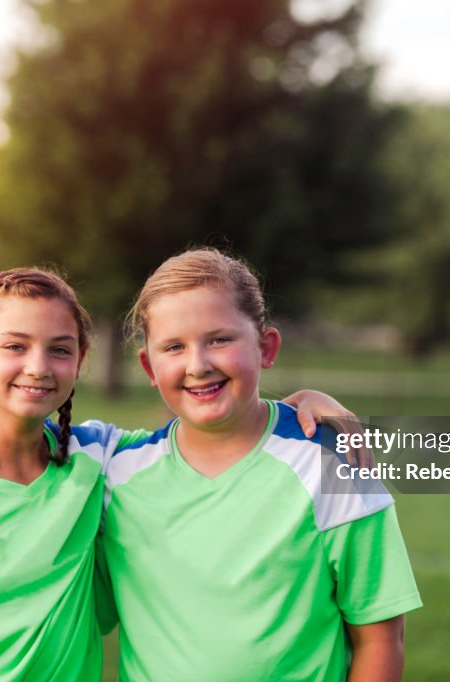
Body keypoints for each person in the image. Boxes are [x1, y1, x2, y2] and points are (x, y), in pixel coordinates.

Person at [0, 267, 354, 681]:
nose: (38, 366)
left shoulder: (98, 458)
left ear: (80, 361)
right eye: (15, 345)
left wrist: (302, 404)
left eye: (60, 349)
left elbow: (209, 427)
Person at [101, 248, 422, 681]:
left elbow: (380, 640)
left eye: (219, 339)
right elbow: (19, 441)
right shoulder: (114, 470)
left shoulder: (330, 462)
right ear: (149, 367)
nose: (198, 364)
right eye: (174, 347)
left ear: (265, 347)